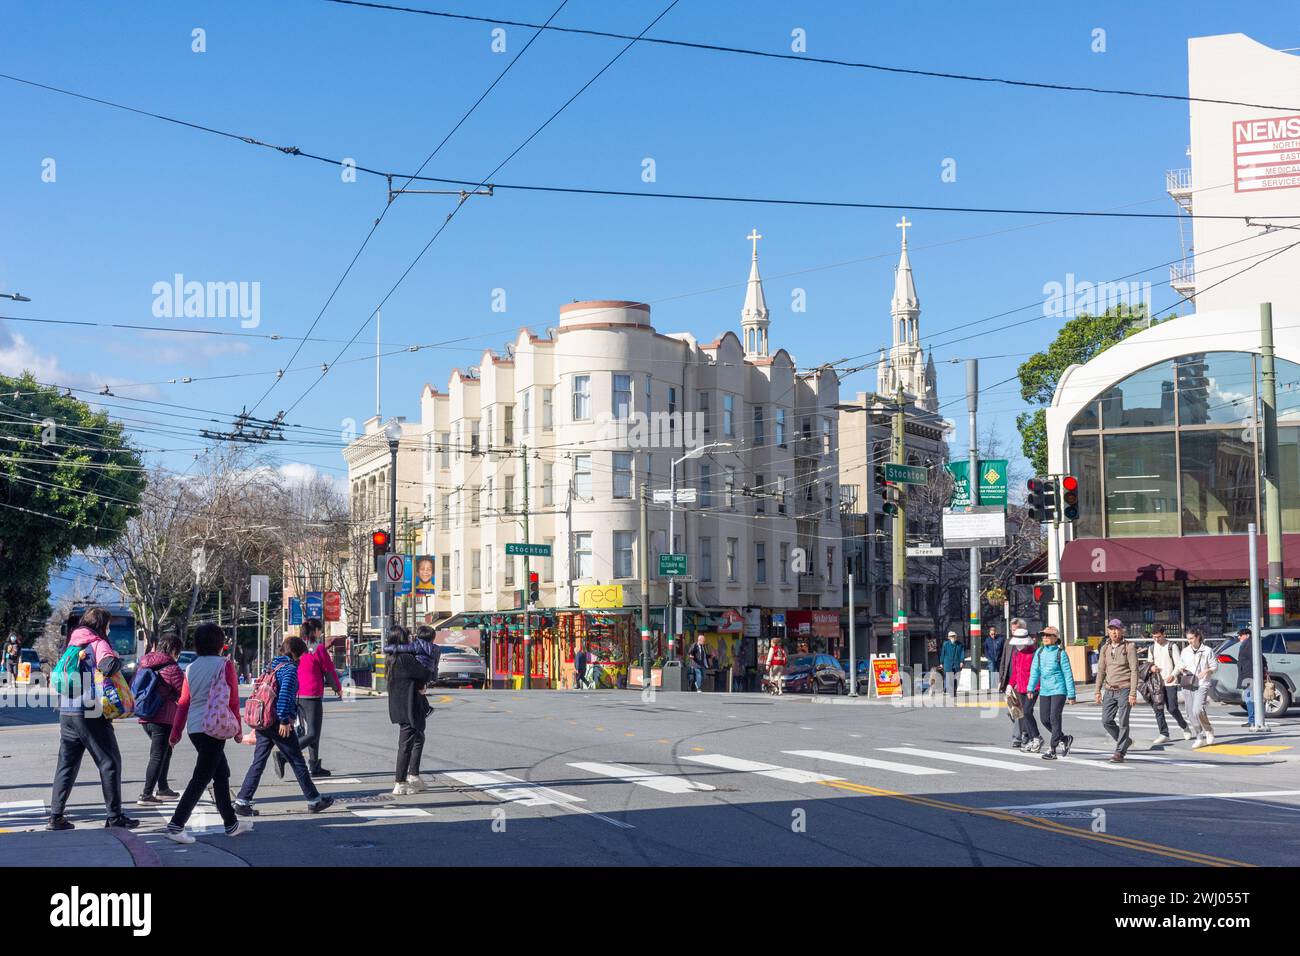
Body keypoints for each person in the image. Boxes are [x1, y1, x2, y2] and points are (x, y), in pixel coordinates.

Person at [47, 607, 138, 831]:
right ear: (101, 625)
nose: (109, 628)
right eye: (107, 624)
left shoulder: (72, 643)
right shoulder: (98, 642)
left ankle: (56, 817)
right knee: (109, 762)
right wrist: (115, 658)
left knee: (66, 764)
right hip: (90, 710)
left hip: (67, 711)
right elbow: (107, 666)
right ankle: (115, 817)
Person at [163, 623, 252, 843]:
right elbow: (232, 701)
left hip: (195, 727)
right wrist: (239, 731)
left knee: (221, 773)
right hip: (215, 726)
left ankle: (231, 823)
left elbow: (183, 703)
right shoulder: (225, 665)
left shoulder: (190, 668)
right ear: (221, 644)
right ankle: (176, 825)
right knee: (202, 777)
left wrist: (176, 732)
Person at [233, 638, 334, 816]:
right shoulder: (289, 669)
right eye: (302, 655)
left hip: (263, 720)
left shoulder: (270, 666)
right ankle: (314, 800)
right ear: (296, 653)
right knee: (297, 761)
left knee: (258, 762)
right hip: (277, 722)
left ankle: (242, 801)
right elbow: (285, 695)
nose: (302, 658)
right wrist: (285, 720)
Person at [135, 634, 185, 806]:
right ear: (174, 650)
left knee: (165, 751)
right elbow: (184, 692)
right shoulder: (172, 668)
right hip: (162, 718)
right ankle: (146, 794)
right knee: (158, 754)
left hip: (146, 715)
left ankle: (163, 788)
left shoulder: (144, 663)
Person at [290, 618, 343, 779]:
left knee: (312, 732)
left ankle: (314, 765)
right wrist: (337, 688)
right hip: (312, 695)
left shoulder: (297, 647)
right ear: (315, 631)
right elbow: (329, 670)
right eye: (320, 630)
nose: (321, 633)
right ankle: (284, 756)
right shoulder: (318, 648)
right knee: (313, 733)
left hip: (297, 694)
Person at [387, 625, 433, 795]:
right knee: (406, 744)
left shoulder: (391, 657)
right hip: (409, 706)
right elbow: (424, 673)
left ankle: (413, 776)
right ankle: (400, 781)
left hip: (400, 705)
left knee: (419, 737)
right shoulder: (405, 658)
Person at [1027, 626, 1075, 760]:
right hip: (1045, 690)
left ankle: (1052, 749)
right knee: (1044, 719)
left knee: (1054, 718)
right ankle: (1064, 738)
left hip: (1059, 689)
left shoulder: (1061, 653)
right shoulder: (1039, 652)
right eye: (1043, 635)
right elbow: (1035, 671)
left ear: (1055, 638)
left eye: (1048, 635)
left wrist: (1071, 694)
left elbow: (1068, 675)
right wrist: (1030, 688)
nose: (1045, 638)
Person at [1094, 618, 1139, 762]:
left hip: (1124, 689)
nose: (1114, 632)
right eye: (1111, 629)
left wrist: (1133, 693)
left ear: (1122, 631)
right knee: (1106, 720)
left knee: (1123, 721)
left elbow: (1134, 670)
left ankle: (1119, 753)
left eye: (1117, 629)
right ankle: (1125, 741)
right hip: (1109, 689)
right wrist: (1097, 691)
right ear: (1108, 631)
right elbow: (1101, 670)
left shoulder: (1129, 647)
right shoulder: (1105, 648)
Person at [1176, 627, 1218, 749]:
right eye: (1188, 639)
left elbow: (1215, 666)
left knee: (1197, 710)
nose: (1190, 641)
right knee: (1190, 713)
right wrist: (1181, 669)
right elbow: (1180, 664)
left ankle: (1208, 730)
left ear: (1198, 637)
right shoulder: (1185, 651)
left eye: (1192, 638)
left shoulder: (1207, 651)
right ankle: (1199, 735)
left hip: (1202, 683)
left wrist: (1206, 671)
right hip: (1188, 683)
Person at [1148, 624, 1191, 744]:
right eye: (1154, 637)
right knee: (1158, 709)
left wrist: (1173, 674)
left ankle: (1184, 726)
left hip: (1171, 681)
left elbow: (1179, 663)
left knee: (1172, 708)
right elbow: (1149, 663)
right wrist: (1152, 667)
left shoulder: (1172, 646)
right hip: (1157, 682)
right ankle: (1164, 733)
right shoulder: (1152, 647)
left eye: (1158, 637)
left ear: (1164, 634)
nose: (1156, 639)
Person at [1005, 625, 1042, 752]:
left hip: (1033, 688)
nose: (1018, 646)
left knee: (1026, 711)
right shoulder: (1016, 653)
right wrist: (1010, 685)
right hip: (1020, 687)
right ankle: (1032, 738)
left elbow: (1037, 672)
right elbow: (1015, 671)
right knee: (1025, 714)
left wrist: (1033, 688)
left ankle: (1036, 737)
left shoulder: (1034, 653)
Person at [997, 619, 1033, 747]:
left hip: (1022, 683)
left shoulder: (1030, 645)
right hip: (1010, 681)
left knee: (1019, 710)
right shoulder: (1008, 642)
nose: (1013, 632)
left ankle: (1017, 738)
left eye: (1015, 630)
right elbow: (1003, 661)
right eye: (1011, 630)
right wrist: (1001, 679)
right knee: (1011, 711)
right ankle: (1026, 732)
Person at [1233, 627, 1270, 729]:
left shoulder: (1249, 644)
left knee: (1249, 698)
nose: (1239, 637)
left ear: (1247, 635)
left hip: (1249, 675)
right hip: (1249, 674)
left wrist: (1262, 670)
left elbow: (1258, 658)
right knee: (1250, 697)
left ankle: (1252, 720)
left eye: (1240, 635)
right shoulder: (1250, 644)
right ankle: (1253, 719)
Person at [940, 631, 965, 696]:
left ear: (956, 637)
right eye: (951, 636)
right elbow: (943, 653)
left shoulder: (960, 644)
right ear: (948, 637)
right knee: (949, 679)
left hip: (957, 664)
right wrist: (941, 662)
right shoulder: (945, 644)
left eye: (954, 636)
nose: (953, 637)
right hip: (948, 664)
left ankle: (954, 691)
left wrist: (962, 661)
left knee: (956, 679)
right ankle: (951, 691)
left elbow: (962, 653)